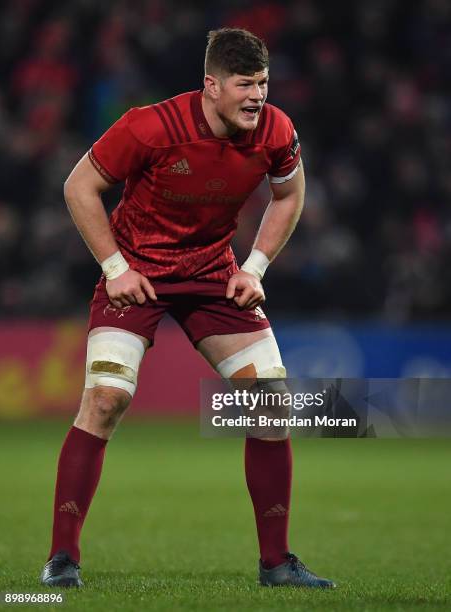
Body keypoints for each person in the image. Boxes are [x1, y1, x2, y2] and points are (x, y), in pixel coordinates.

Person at [40, 27, 335, 589]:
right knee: (105, 400)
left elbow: (290, 194)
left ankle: (276, 564)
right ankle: (61, 560)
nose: (258, 96)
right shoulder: (149, 127)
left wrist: (254, 268)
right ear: (211, 85)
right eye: (245, 84)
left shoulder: (275, 130)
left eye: (264, 83)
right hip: (137, 276)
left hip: (212, 277)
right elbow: (79, 187)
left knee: (271, 405)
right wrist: (115, 270)